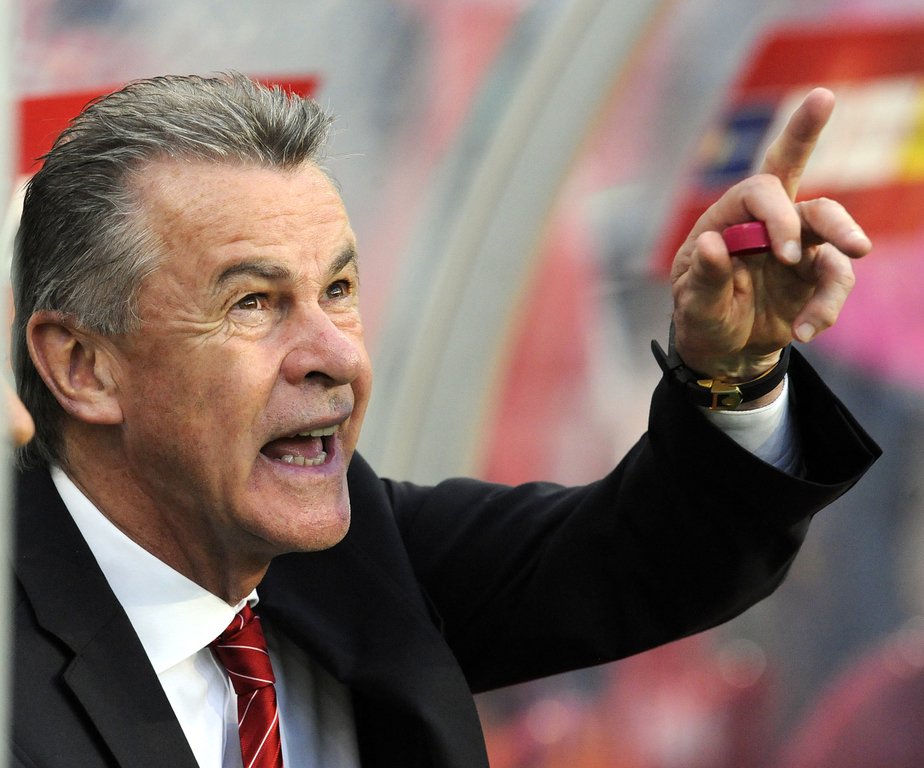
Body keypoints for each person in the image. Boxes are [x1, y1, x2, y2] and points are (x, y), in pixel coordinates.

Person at [9, 73, 879, 768]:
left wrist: (734, 370)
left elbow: (657, 557)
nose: (335, 355)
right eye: (253, 303)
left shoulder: (350, 554)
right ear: (82, 365)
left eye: (338, 290)